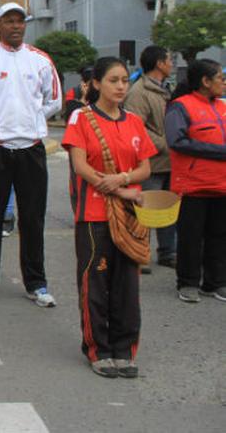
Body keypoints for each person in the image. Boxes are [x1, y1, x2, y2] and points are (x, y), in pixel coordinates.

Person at [0, 2, 62, 308]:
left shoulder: (40, 60)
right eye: (9, 21)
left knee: (33, 218)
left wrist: (33, 121)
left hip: (31, 149)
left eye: (20, 21)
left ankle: (36, 283)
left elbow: (53, 99)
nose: (16, 26)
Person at [62, 57, 156, 378]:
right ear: (97, 83)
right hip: (93, 215)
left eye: (123, 81)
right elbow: (81, 167)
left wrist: (123, 180)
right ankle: (98, 349)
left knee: (127, 285)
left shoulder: (134, 121)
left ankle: (124, 349)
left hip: (131, 216)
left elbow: (146, 166)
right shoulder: (81, 118)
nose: (119, 86)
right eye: (113, 80)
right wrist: (122, 189)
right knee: (95, 284)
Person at [164, 58, 226, 304]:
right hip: (193, 186)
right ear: (205, 81)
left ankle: (215, 283)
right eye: (220, 78)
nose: (223, 82)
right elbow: (176, 141)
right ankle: (188, 283)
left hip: (222, 185)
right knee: (190, 237)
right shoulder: (180, 107)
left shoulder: (222, 106)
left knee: (219, 236)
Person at [124, 45, 176, 271]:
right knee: (144, 210)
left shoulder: (166, 89)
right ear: (159, 63)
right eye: (169, 59)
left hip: (169, 162)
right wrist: (166, 144)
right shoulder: (139, 92)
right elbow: (137, 127)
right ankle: (138, 252)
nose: (172, 63)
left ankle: (167, 251)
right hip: (151, 162)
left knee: (167, 207)